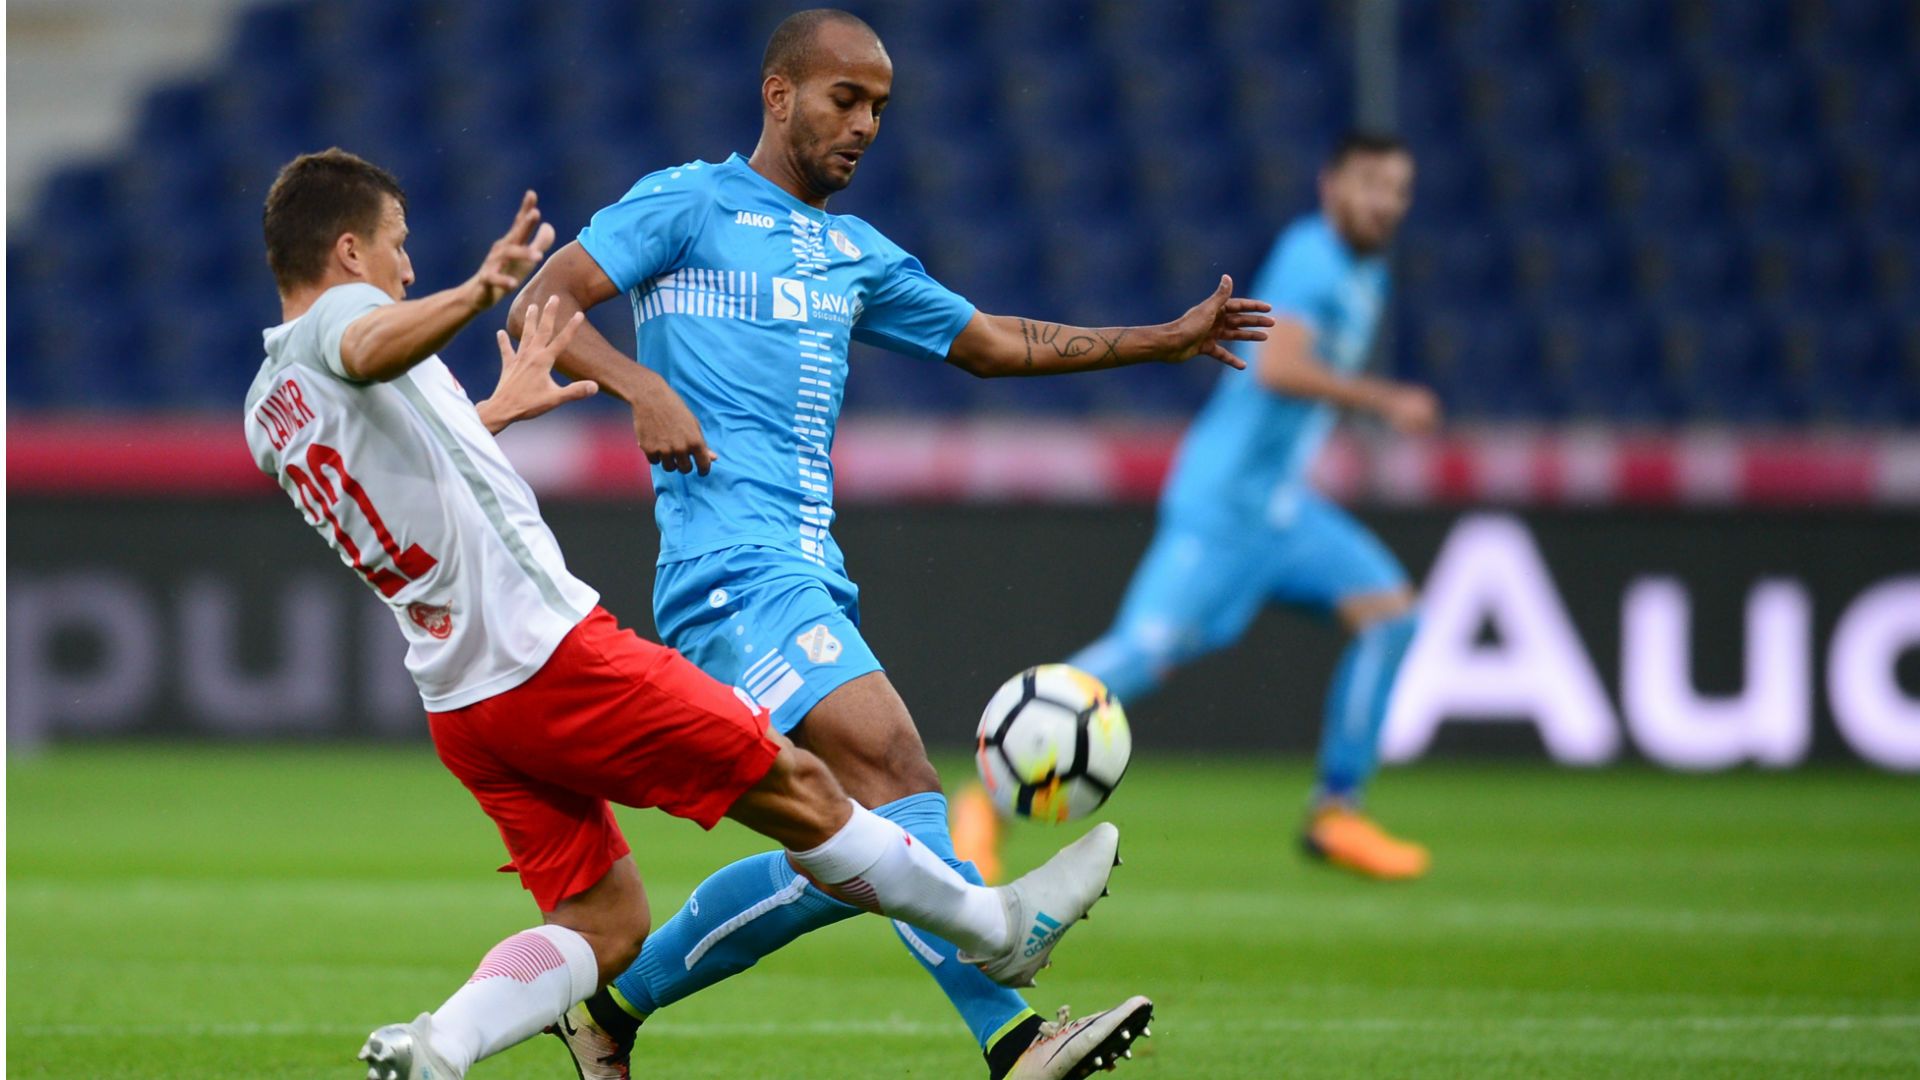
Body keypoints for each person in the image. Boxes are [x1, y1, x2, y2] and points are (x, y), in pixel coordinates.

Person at [243, 148, 1121, 1080]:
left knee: (605, 924)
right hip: (551, 660)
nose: (405, 268)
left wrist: (490, 413)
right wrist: (472, 293)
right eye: (396, 246)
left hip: (461, 705)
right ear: (346, 251)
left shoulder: (268, 410)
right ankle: (997, 929)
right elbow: (367, 341)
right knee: (809, 788)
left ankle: (439, 1046)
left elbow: (392, 458)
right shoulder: (351, 319)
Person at [512, 10, 1271, 1079]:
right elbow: (538, 300)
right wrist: (639, 385)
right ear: (780, 95)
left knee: (838, 849)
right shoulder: (687, 201)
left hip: (812, 569)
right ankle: (1013, 1033)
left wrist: (1169, 340)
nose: (865, 125)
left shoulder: (857, 254)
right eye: (844, 100)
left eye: (879, 108)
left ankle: (612, 1015)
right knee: (895, 770)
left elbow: (996, 344)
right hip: (729, 572)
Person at [958, 131, 1434, 884]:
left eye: (1399, 189)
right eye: (1371, 182)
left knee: (1393, 617)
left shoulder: (1368, 273)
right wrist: (1383, 400)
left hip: (1285, 509)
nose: (1386, 203)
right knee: (1144, 655)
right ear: (1330, 184)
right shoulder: (1313, 256)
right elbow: (1278, 367)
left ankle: (1337, 809)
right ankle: (983, 799)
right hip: (1224, 505)